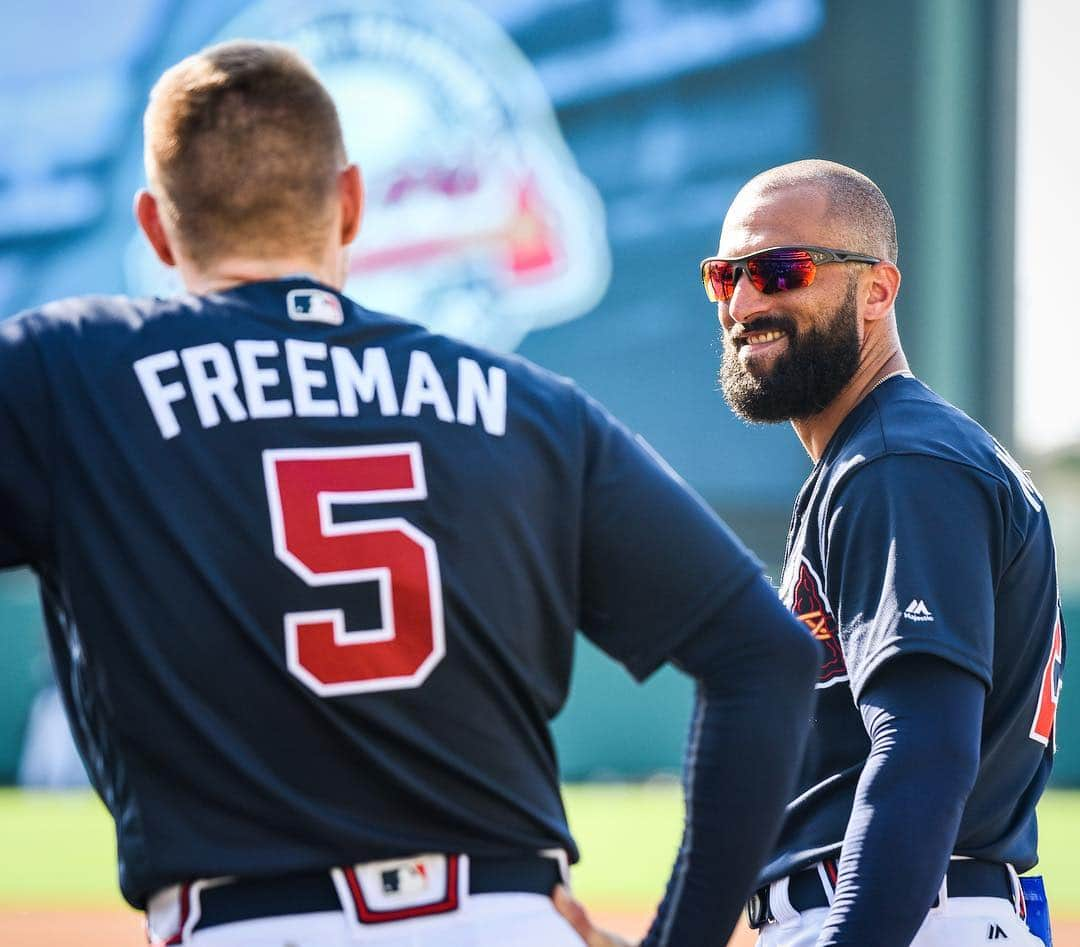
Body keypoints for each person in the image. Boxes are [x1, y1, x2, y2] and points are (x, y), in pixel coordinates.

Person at [0, 42, 820, 947]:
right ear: (351, 204)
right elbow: (768, 656)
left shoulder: (69, 373)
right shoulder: (526, 404)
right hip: (507, 921)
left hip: (252, 925)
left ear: (156, 229)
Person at [558, 159, 1066, 947]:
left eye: (781, 270)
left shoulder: (899, 461)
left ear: (877, 291)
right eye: (724, 276)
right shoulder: (885, 457)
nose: (745, 301)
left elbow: (922, 752)